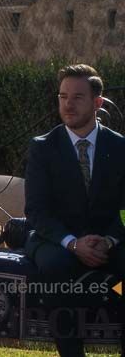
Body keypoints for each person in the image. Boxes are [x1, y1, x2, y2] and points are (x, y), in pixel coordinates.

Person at [24, 64, 125, 357]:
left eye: (78, 97)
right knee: (56, 269)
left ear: (97, 103)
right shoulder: (43, 148)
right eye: (63, 96)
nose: (68, 104)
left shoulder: (119, 148)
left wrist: (110, 240)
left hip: (107, 239)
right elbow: (37, 211)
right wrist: (73, 243)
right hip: (56, 239)